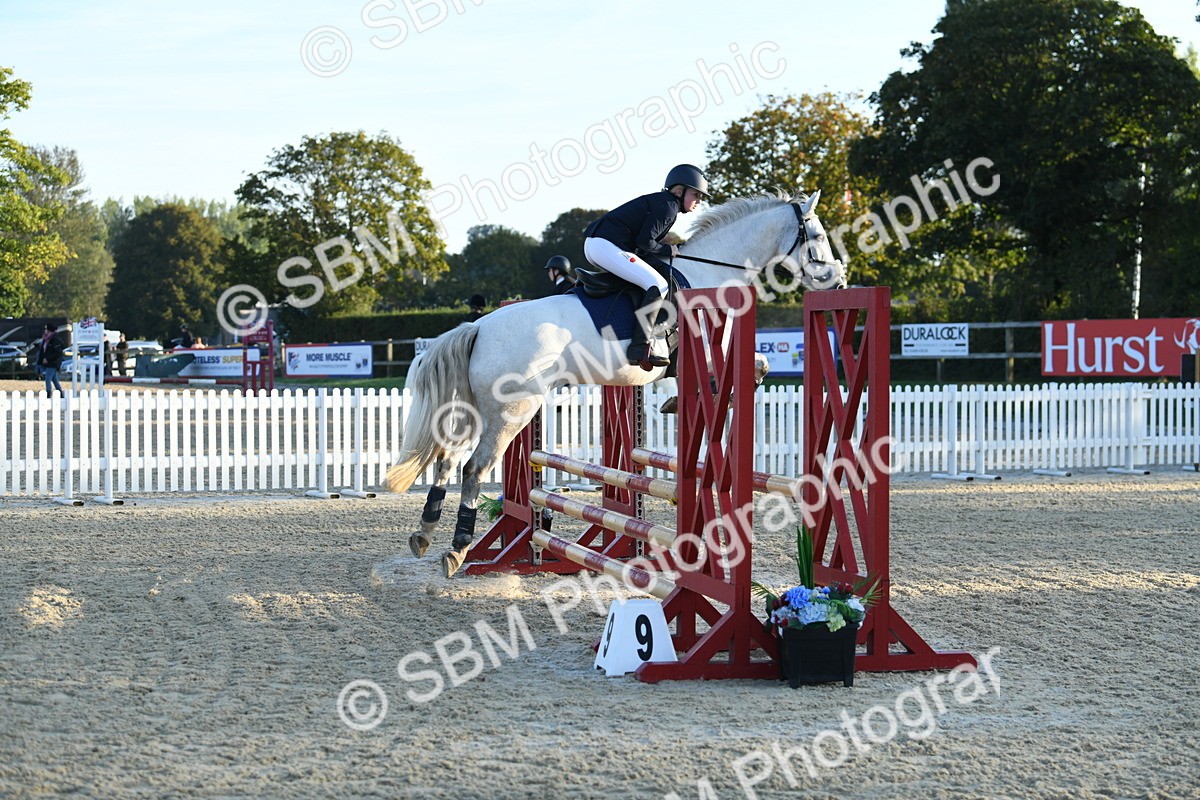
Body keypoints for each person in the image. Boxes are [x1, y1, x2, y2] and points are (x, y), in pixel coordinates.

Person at [581, 164, 709, 369]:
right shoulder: (669, 207)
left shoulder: (664, 203)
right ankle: (639, 347)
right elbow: (645, 243)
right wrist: (669, 250)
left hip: (600, 244)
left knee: (650, 275)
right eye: (695, 195)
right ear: (679, 191)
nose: (698, 201)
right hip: (605, 245)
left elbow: (643, 247)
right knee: (658, 284)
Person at [35, 323, 64, 397]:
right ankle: (61, 394)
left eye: (45, 329)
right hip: (48, 363)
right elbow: (44, 351)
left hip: (53, 363)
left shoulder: (55, 340)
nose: (44, 330)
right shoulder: (46, 339)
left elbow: (58, 353)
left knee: (47, 379)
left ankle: (48, 394)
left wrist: (48, 359)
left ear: (49, 330)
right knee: (55, 380)